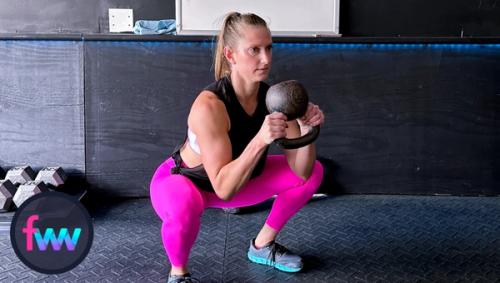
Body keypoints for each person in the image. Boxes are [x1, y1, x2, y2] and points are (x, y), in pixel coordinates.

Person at [150, 12, 325, 283]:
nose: (265, 59)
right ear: (231, 55)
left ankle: (262, 246)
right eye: (254, 50)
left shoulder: (275, 99)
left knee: (314, 172)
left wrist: (307, 131)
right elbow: (223, 188)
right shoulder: (209, 106)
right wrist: (260, 139)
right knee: (182, 205)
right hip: (187, 183)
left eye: (268, 48)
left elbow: (300, 172)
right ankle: (178, 273)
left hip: (239, 182)